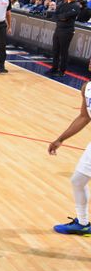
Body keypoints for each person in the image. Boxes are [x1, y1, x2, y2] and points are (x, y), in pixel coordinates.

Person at [48, 82, 91, 236]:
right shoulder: (87, 87)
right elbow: (84, 117)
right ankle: (83, 223)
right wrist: (61, 139)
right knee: (77, 181)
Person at [47, 0, 83, 77]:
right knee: (55, 50)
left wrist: (62, 17)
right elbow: (55, 16)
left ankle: (62, 70)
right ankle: (54, 68)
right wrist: (62, 18)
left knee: (64, 51)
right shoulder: (62, 5)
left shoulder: (76, 6)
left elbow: (69, 15)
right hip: (58, 29)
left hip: (67, 30)